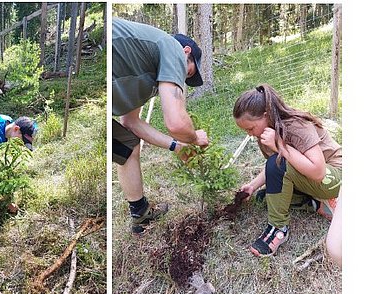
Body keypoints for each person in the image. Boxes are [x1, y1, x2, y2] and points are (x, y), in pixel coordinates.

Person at [112, 18, 209, 234]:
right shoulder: (172, 47)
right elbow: (175, 122)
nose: (182, 79)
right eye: (189, 72)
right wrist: (194, 140)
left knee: (127, 144)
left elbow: (130, 123)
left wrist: (178, 146)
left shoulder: (146, 70)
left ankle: (140, 214)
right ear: (186, 52)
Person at [233, 83, 342, 256]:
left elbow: (318, 171)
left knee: (277, 185)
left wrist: (279, 145)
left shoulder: (296, 126)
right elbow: (275, 166)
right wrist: (253, 185)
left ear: (266, 115)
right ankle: (317, 204)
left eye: (250, 128)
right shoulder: (265, 134)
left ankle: (277, 229)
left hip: (336, 177)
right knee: (268, 196)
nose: (249, 134)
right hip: (311, 178)